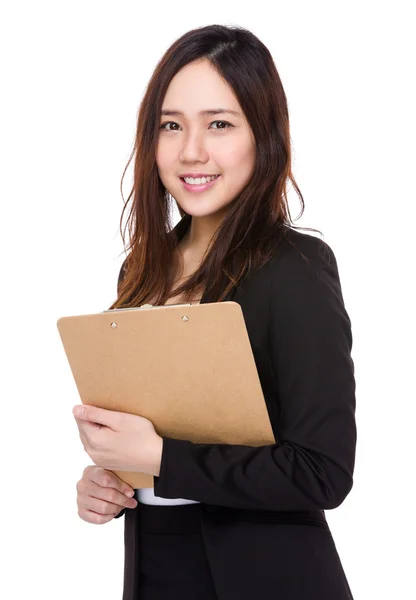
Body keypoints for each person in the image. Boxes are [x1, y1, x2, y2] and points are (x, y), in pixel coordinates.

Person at [74, 24, 357, 600]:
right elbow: (156, 447)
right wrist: (111, 481)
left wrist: (160, 458)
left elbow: (322, 472)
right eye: (170, 125)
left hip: (269, 581)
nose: (191, 151)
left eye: (219, 124)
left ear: (265, 135)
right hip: (156, 572)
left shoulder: (295, 266)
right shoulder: (143, 271)